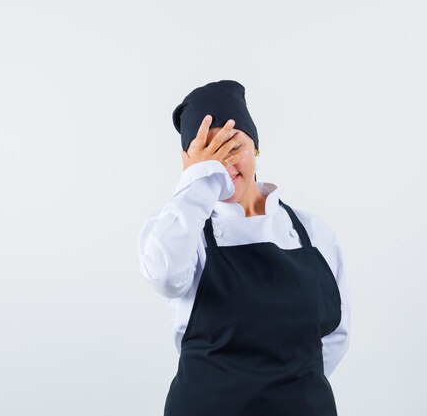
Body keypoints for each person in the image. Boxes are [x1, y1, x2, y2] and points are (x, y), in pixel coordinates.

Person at [137, 80, 351, 416]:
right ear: (188, 164)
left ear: (258, 148)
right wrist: (199, 182)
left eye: (233, 147)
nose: (223, 166)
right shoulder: (180, 229)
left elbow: (335, 336)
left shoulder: (312, 233)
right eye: (208, 152)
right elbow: (163, 275)